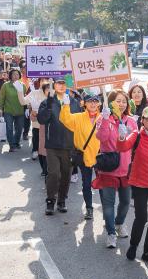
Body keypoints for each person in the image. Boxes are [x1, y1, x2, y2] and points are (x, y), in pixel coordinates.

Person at [94, 91, 137, 248]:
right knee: (108, 204)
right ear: (111, 102)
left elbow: (134, 140)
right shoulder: (104, 118)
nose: (121, 104)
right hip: (109, 168)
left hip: (126, 170)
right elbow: (101, 138)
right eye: (118, 101)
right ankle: (111, 233)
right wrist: (105, 120)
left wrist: (126, 136)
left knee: (125, 202)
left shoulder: (131, 121)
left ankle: (119, 224)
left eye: (124, 101)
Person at [121, 106, 148, 264]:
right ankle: (133, 245)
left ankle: (147, 251)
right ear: (142, 120)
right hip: (140, 182)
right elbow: (122, 147)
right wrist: (121, 137)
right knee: (141, 217)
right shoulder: (136, 135)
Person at [60, 93, 102, 220]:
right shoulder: (78, 117)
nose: (93, 104)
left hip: (101, 156)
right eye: (90, 101)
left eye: (95, 101)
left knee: (104, 185)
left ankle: (107, 210)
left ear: (99, 103)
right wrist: (66, 105)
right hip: (84, 156)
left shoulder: (104, 117)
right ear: (84, 103)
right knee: (86, 184)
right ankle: (89, 208)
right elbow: (65, 119)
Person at [37, 79, 74, 215]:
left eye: (64, 83)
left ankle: (62, 200)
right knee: (53, 173)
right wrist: (50, 103)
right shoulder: (47, 101)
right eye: (58, 83)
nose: (61, 86)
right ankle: (50, 200)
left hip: (70, 146)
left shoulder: (74, 102)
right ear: (54, 85)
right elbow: (41, 119)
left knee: (66, 174)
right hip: (52, 145)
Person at [25, 78, 50, 176]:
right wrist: (33, 112)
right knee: (42, 149)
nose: (48, 91)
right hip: (41, 128)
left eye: (50, 89)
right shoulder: (40, 100)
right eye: (46, 89)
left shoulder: (57, 100)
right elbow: (34, 118)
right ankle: (44, 169)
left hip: (53, 131)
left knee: (50, 152)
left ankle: (48, 170)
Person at [0, 69, 27, 152]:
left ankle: (16, 142)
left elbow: (26, 98)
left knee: (19, 129)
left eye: (17, 74)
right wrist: (0, 108)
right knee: (9, 128)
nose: (15, 76)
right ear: (10, 76)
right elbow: (1, 97)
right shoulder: (5, 85)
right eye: (13, 74)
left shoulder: (23, 85)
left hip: (20, 111)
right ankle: (12, 145)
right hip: (8, 111)